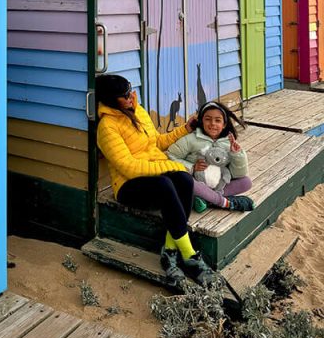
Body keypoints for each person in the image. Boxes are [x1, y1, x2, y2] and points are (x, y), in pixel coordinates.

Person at [95, 74, 215, 287]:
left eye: (131, 91)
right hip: (128, 186)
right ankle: (190, 256)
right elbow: (129, 168)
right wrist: (168, 167)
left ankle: (169, 251)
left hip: (155, 171)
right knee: (166, 183)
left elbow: (157, 142)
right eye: (125, 96)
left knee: (184, 180)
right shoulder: (107, 127)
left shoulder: (138, 112)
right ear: (111, 99)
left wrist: (184, 129)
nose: (131, 98)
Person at [166, 100, 254, 212]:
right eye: (208, 119)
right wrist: (192, 167)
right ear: (201, 121)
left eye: (218, 120)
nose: (212, 123)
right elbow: (170, 155)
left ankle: (206, 199)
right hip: (197, 182)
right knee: (191, 183)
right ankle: (224, 202)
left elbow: (237, 174)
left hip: (218, 185)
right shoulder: (191, 139)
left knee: (246, 182)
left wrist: (236, 155)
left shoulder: (228, 143)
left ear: (224, 125)